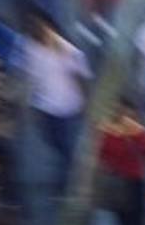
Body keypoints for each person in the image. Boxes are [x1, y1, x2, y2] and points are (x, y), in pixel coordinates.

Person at [17, 14, 93, 185]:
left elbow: (82, 76)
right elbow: (28, 74)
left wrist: (86, 101)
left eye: (43, 28)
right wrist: (25, 98)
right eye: (34, 27)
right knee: (52, 140)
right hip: (43, 106)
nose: (39, 31)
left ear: (52, 28)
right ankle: (70, 167)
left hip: (67, 107)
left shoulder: (67, 50)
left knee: (64, 144)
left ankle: (68, 177)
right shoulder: (30, 48)